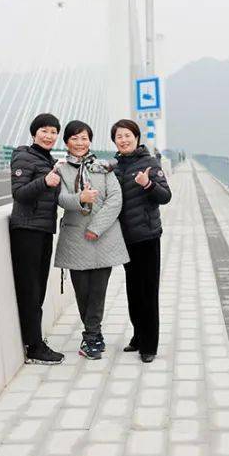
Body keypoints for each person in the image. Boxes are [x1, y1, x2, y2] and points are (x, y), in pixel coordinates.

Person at [54, 120, 129, 360]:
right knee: (82, 291)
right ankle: (93, 333)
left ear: (90, 141)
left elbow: (115, 199)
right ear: (66, 142)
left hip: (103, 237)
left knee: (98, 290)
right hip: (75, 237)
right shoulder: (61, 170)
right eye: (74, 138)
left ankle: (92, 335)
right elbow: (61, 199)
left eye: (84, 138)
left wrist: (97, 227)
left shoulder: (103, 168)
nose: (80, 143)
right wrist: (80, 197)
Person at [110, 119, 172, 363]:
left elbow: (165, 196)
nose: (123, 140)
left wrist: (147, 183)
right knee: (133, 291)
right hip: (125, 238)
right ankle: (138, 336)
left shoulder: (150, 163)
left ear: (136, 137)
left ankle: (149, 345)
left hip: (146, 236)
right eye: (118, 137)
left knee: (148, 292)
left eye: (127, 135)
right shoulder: (116, 166)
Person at [8, 113, 65, 365]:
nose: (49, 135)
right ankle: (34, 346)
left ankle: (37, 341)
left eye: (53, 132)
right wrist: (46, 181)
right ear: (34, 133)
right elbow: (19, 193)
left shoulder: (47, 158)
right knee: (30, 288)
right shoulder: (24, 156)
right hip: (26, 230)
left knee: (39, 287)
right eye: (44, 130)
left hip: (43, 229)